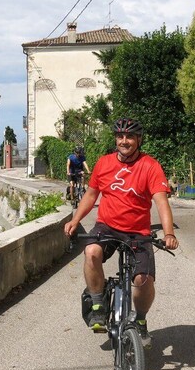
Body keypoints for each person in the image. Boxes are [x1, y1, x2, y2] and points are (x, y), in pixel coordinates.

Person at [64, 117, 179, 347]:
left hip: (138, 231)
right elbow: (90, 195)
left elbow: (161, 201)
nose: (124, 141)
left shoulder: (150, 166)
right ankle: (98, 302)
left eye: (129, 137)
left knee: (142, 280)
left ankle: (141, 320)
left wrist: (169, 233)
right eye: (120, 136)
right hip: (107, 226)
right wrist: (76, 219)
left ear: (138, 139)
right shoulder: (104, 163)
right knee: (91, 252)